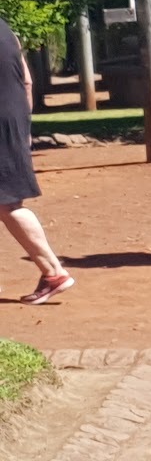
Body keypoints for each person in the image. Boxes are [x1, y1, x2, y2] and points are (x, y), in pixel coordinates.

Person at [0, 16, 72, 304]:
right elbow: (27, 81)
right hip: (13, 120)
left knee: (8, 203)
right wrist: (24, 127)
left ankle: (54, 271)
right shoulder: (5, 28)